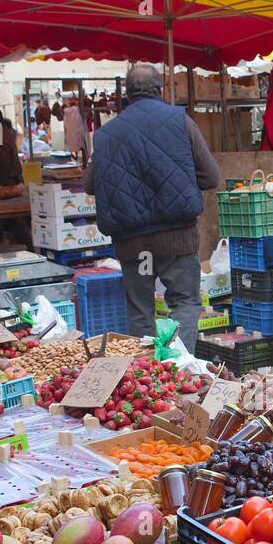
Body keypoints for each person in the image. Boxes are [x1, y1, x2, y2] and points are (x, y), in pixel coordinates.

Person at [82, 64, 221, 354]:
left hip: (134, 246)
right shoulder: (180, 121)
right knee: (184, 302)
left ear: (127, 94)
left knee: (140, 310)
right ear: (160, 90)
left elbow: (90, 184)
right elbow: (210, 176)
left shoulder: (107, 135)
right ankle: (177, 369)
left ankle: (148, 376)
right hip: (176, 239)